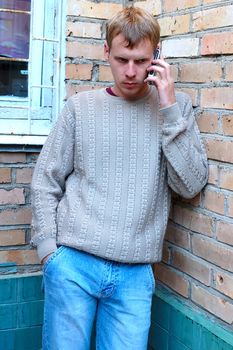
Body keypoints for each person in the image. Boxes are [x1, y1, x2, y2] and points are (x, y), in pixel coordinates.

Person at [31, 6, 208, 350]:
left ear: (157, 57)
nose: (130, 72)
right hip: (72, 266)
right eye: (122, 59)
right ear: (106, 52)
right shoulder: (80, 108)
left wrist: (169, 109)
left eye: (141, 61)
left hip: (135, 276)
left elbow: (189, 184)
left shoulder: (176, 108)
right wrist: (48, 252)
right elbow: (45, 180)